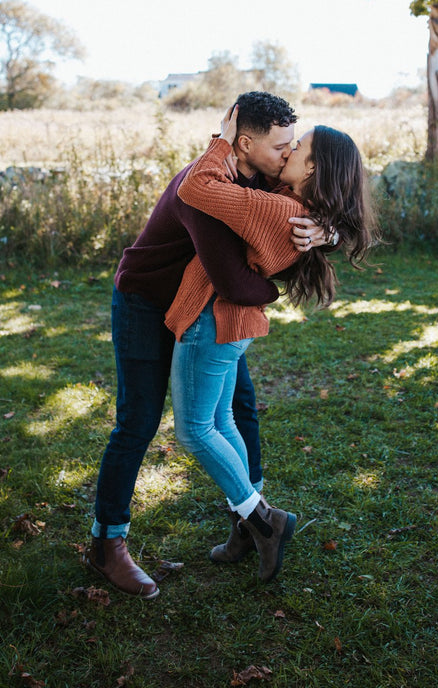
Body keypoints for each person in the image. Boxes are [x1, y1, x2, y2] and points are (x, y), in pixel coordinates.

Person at [86, 92, 326, 599]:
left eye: (291, 145)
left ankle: (248, 521)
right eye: (281, 145)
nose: (288, 154)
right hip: (147, 303)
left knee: (239, 407)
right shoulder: (204, 190)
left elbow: (322, 193)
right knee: (139, 420)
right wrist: (269, 294)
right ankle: (107, 545)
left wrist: (327, 231)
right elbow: (237, 283)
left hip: (204, 312)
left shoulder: (261, 177)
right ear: (244, 143)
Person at [166, 104, 377, 583]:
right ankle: (247, 525)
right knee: (220, 420)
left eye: (296, 149)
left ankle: (263, 519)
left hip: (211, 321)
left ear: (313, 168)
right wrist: (332, 228)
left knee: (195, 431)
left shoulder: (275, 207)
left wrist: (223, 139)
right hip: (233, 325)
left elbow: (196, 187)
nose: (286, 153)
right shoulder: (296, 207)